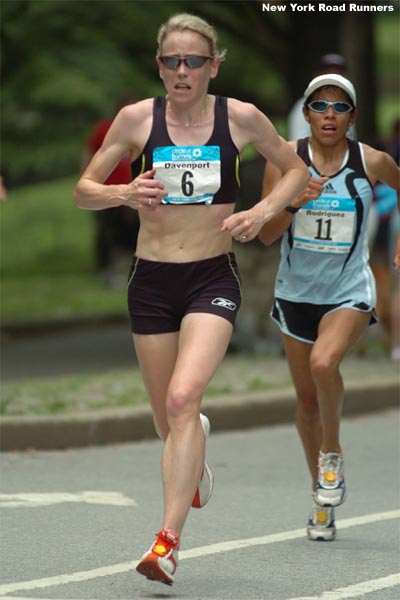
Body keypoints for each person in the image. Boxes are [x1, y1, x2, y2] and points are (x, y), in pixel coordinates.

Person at [73, 12, 309, 586]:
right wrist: (124, 191)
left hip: (212, 277)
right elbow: (83, 191)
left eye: (194, 61)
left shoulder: (240, 118)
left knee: (182, 398)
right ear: (160, 67)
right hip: (151, 281)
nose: (182, 71)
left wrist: (260, 211)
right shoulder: (136, 120)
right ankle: (192, 449)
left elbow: (296, 170)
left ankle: (166, 543)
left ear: (213, 66)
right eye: (172, 61)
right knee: (168, 418)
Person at [259, 74, 400, 542]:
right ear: (307, 113)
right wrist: (294, 203)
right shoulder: (284, 159)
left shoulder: (371, 161)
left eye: (340, 108)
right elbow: (264, 232)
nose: (329, 115)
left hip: (349, 291)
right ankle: (321, 498)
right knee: (305, 403)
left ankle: (332, 455)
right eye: (320, 106)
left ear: (353, 118)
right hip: (295, 294)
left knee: (325, 362)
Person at [82, 99, 140, 284]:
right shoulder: (105, 128)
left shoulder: (144, 130)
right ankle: (105, 269)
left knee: (134, 230)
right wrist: (87, 181)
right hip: (106, 190)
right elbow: (88, 153)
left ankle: (133, 269)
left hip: (134, 191)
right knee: (107, 231)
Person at [287, 54, 356, 141]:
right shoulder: (303, 106)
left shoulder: (348, 106)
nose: (333, 77)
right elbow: (298, 147)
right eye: (328, 73)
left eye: (338, 73)